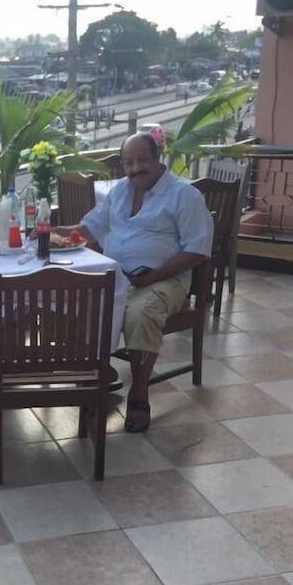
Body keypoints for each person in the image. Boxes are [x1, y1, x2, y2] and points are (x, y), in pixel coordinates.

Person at [53, 132, 213, 433]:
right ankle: (96, 377)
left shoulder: (184, 195)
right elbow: (88, 229)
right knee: (76, 305)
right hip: (116, 277)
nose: (135, 168)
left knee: (142, 313)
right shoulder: (119, 192)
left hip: (165, 281)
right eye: (128, 162)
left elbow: (197, 250)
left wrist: (153, 276)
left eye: (142, 160)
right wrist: (53, 231)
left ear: (157, 157)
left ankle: (139, 392)